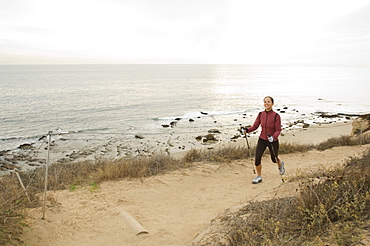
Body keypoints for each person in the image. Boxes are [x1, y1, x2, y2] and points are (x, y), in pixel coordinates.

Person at [243, 96, 285, 184]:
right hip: (262, 139)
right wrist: (247, 130)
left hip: (272, 140)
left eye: (269, 102)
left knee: (274, 159)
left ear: (272, 104)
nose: (266, 103)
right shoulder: (261, 114)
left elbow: (278, 130)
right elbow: (255, 126)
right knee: (257, 158)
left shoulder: (276, 116)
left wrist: (273, 137)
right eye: (265, 102)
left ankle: (280, 163)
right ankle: (259, 176)